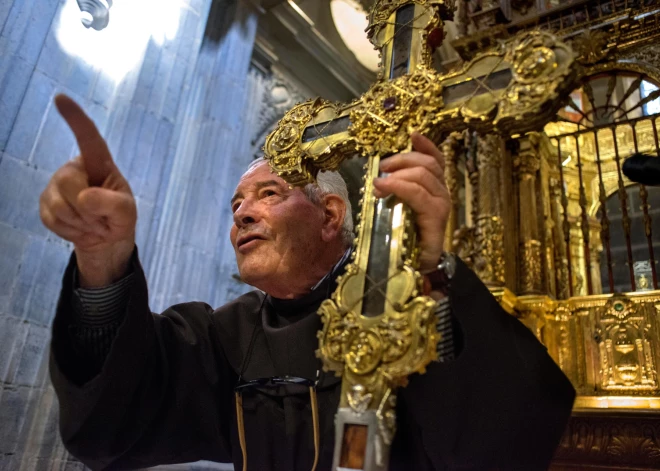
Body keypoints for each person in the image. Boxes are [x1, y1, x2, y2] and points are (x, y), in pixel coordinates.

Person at [42, 94, 575, 471]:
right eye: (236, 205)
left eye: (269, 194)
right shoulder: (228, 337)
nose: (242, 215)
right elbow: (110, 425)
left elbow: (504, 444)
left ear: (329, 215)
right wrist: (102, 259)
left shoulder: (409, 301)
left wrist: (431, 270)